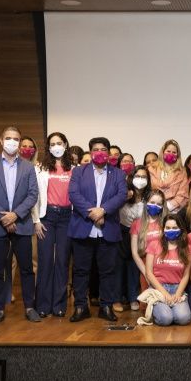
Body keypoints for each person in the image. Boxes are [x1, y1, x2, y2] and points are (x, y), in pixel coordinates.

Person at [0, 126, 39, 324]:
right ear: (1, 140)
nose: (12, 142)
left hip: (21, 224)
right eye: (8, 138)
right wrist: (3, 218)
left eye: (16, 139)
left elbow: (32, 195)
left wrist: (15, 215)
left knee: (27, 269)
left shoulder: (29, 167)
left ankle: (30, 307)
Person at [67, 136, 127, 323]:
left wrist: (103, 211)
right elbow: (73, 194)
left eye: (103, 149)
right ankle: (80, 307)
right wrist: (92, 213)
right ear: (90, 152)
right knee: (81, 271)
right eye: (95, 149)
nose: (99, 153)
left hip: (107, 228)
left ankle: (106, 307)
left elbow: (121, 195)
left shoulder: (117, 174)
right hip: (83, 227)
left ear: (108, 153)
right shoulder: (79, 172)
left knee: (108, 271)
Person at [33, 132, 73, 318]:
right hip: (46, 217)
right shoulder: (40, 168)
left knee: (62, 262)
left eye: (59, 143)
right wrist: (36, 221)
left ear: (65, 144)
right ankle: (42, 304)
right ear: (48, 147)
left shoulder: (75, 168)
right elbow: (34, 197)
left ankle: (59, 305)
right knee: (45, 261)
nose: (56, 146)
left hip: (67, 218)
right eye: (52, 144)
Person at [142, 216, 191, 326]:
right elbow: (149, 273)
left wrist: (178, 293)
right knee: (165, 319)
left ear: (180, 229)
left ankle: (168, 310)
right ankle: (160, 309)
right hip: (159, 288)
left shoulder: (186, 248)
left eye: (174, 228)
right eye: (168, 227)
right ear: (163, 229)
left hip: (177, 288)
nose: (171, 230)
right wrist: (164, 293)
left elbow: (186, 275)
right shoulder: (154, 245)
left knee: (183, 319)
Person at [117, 166, 150, 312]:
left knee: (133, 267)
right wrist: (124, 196)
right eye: (138, 176)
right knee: (119, 266)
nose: (141, 180)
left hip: (141, 234)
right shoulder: (124, 193)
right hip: (122, 231)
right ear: (131, 177)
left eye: (144, 177)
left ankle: (133, 298)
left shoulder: (149, 197)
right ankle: (117, 298)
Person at [149, 139, 189, 214]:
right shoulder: (152, 168)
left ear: (178, 155)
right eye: (168, 151)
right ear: (163, 152)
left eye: (174, 152)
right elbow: (148, 190)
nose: (171, 154)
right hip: (153, 208)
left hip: (173, 211)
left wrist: (167, 207)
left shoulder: (182, 172)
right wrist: (157, 205)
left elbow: (182, 194)